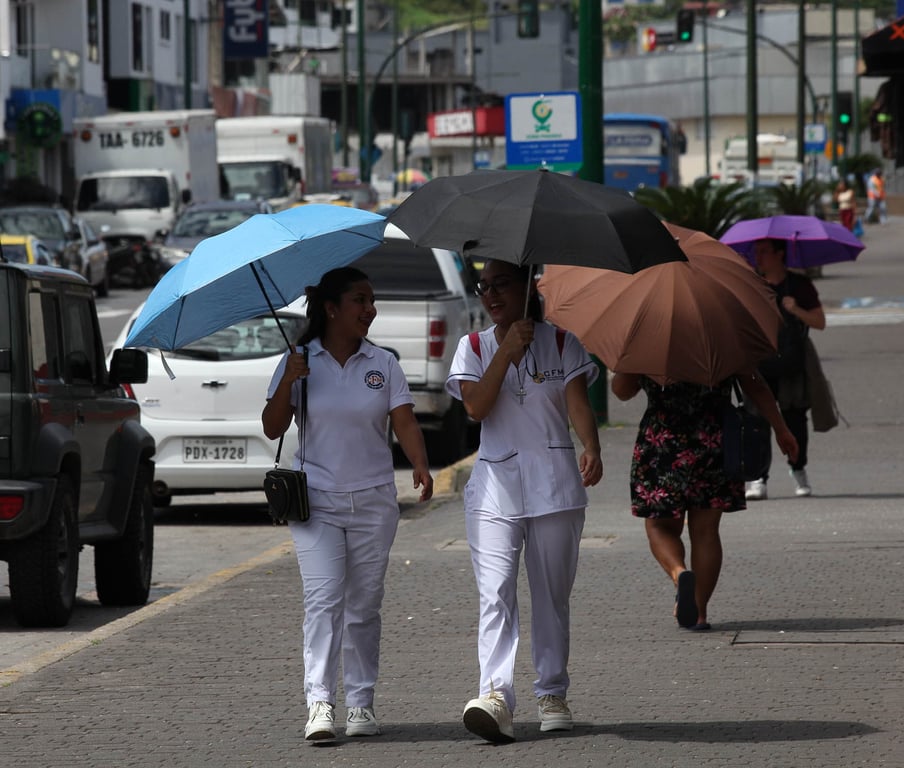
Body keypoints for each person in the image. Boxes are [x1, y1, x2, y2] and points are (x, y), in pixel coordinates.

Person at [262, 266, 433, 741]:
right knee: (323, 600)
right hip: (316, 502)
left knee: (364, 604)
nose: (369, 309)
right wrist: (287, 381)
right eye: (359, 300)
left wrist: (419, 463)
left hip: (375, 502)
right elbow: (273, 427)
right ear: (332, 308)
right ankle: (319, 703)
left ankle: (360, 703)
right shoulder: (299, 361)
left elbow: (404, 421)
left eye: (371, 300)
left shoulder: (384, 363)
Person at [446, 260, 602, 744]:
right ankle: (495, 695)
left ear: (527, 288)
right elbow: (475, 406)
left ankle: (552, 692)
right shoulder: (472, 346)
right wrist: (507, 351)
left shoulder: (561, 342)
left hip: (554, 483)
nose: (490, 294)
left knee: (551, 596)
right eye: (483, 287)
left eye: (501, 285)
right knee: (495, 593)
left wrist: (591, 445)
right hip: (494, 486)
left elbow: (578, 401)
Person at [613, 369, 796, 631]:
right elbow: (756, 384)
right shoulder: (721, 334)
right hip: (715, 439)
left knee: (659, 526)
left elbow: (622, 391)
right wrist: (781, 429)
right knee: (706, 532)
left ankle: (679, 574)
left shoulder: (650, 339)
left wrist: (631, 366)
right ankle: (699, 614)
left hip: (663, 441)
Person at [744, 238, 826, 499]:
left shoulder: (799, 285)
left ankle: (798, 469)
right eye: (756, 251)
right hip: (760, 362)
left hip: (792, 362)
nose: (759, 256)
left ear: (780, 254)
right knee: (755, 420)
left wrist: (796, 309)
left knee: (795, 420)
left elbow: (820, 321)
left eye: (764, 251)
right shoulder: (751, 284)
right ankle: (758, 478)